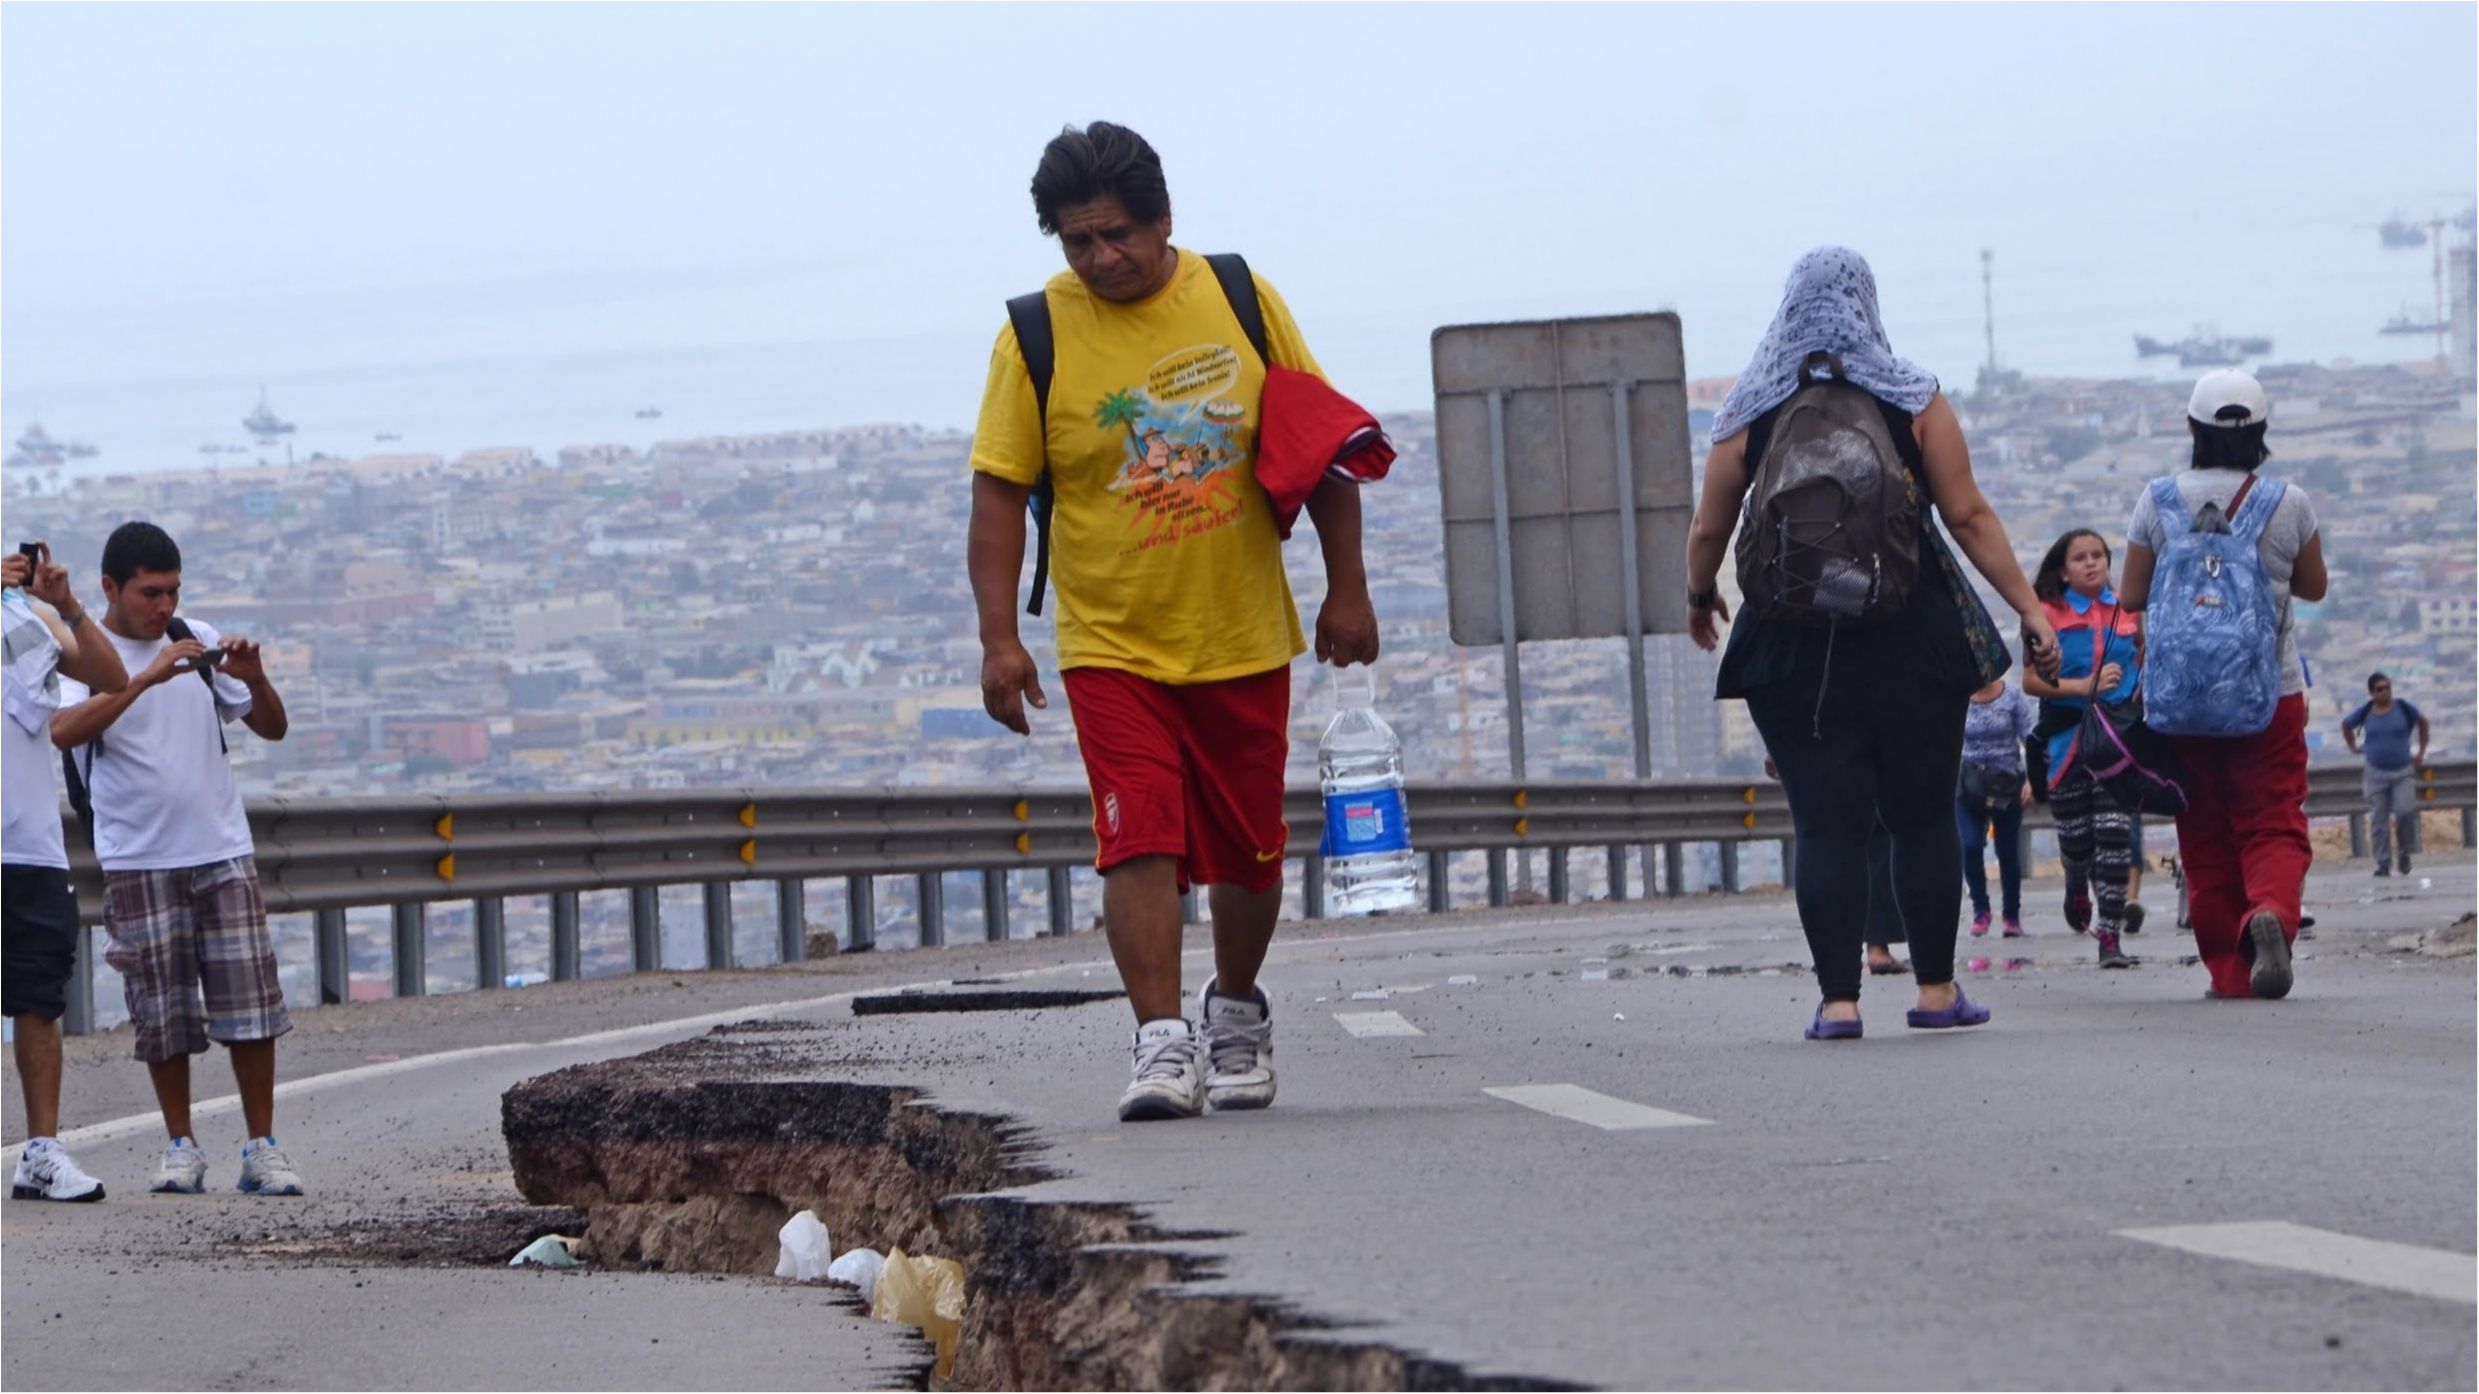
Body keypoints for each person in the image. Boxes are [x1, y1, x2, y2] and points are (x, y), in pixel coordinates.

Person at [966, 123, 1378, 1120]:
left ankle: (1233, 1006)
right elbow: (997, 492)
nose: (1101, 258)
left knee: (1249, 849)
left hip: (1239, 631)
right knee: (1136, 832)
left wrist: (1348, 587)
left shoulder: (1237, 296)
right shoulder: (1035, 334)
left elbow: (1320, 442)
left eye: (1117, 235)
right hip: (1109, 640)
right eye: (1078, 241)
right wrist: (999, 638)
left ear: (1163, 222)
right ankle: (1158, 1039)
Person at [1687, 246, 2059, 1040]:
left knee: (1826, 827)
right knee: (1921, 819)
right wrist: (2027, 607)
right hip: (1913, 637)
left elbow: (1708, 529)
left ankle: (1837, 1004)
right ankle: (1935, 992)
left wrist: (1699, 597)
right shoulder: (1913, 398)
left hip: (1793, 649)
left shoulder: (1749, 409)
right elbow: (1967, 516)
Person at [53, 522, 302, 1193]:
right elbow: (64, 731)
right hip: (138, 855)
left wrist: (255, 679)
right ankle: (180, 1144)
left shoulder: (196, 636)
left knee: (250, 1006)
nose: (164, 607)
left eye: (172, 592)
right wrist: (144, 680)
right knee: (161, 1013)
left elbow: (272, 727)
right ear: (111, 588)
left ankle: (262, 1146)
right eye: (150, 594)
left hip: (221, 847)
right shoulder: (84, 653)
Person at [2120, 369, 2327, 1000]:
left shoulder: (2157, 499)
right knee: (2273, 820)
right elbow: (2314, 587)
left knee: (2204, 832)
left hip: (2182, 700)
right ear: (2261, 431)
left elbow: (2130, 595)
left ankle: (2230, 974)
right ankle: (2270, 911)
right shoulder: (2288, 502)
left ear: (2193, 428)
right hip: (2269, 694)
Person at [4, 542, 128, 1201]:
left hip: (30, 844)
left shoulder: (29, 619)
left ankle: (42, 1152)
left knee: (39, 999)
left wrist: (68, 606)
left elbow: (111, 676)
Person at [2024, 529, 2143, 968]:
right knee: (2077, 841)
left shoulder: (2129, 609)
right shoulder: (2044, 614)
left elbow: (2144, 658)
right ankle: (2075, 881)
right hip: (2065, 743)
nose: (2091, 563)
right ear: (2063, 570)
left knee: (2115, 836)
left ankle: (2109, 937)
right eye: (2080, 557)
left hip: (2116, 743)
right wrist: (2084, 687)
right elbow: (2030, 681)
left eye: (2098, 555)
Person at [1956, 675, 2035, 938]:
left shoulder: (2012, 696)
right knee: (1969, 845)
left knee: (2007, 852)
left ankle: (2011, 915)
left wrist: (2032, 780)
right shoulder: (1957, 696)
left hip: (2006, 783)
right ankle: (1981, 909)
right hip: (1968, 784)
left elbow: (2029, 738)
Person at [2341, 672, 2428, 876]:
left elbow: (2422, 722)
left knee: (2405, 812)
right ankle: (2383, 862)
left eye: (2387, 688)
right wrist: (2353, 746)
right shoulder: (2366, 712)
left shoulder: (2403, 708)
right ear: (2372, 693)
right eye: (2379, 689)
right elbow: (2346, 725)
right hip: (2375, 773)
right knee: (2378, 819)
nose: (2385, 692)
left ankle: (2405, 852)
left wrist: (2421, 751)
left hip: (2402, 772)